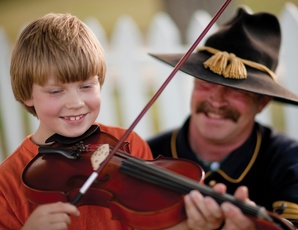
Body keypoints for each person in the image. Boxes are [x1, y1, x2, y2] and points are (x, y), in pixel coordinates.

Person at [0, 12, 254, 230]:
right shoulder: (8, 182)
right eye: (56, 91)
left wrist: (194, 225)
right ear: (26, 94)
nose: (76, 102)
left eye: (87, 86)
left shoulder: (128, 145)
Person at [147, 7, 298, 230]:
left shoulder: (289, 159)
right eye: (206, 83)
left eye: (236, 91)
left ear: (262, 103)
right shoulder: (148, 153)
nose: (216, 100)